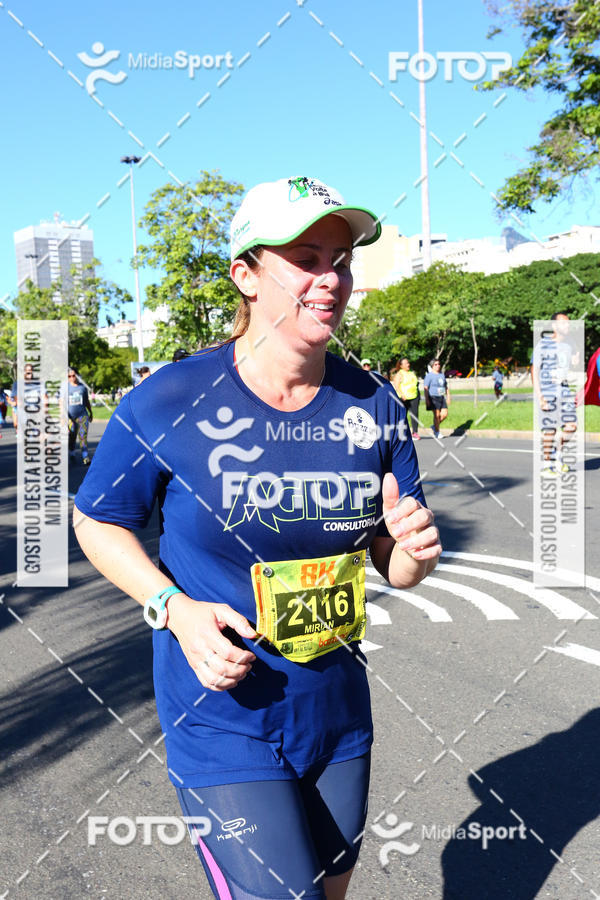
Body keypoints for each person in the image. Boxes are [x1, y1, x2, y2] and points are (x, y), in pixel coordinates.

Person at [73, 175, 441, 900]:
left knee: (328, 892)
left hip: (335, 714)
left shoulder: (374, 406)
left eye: (341, 258)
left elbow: (393, 565)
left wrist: (413, 552)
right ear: (245, 274)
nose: (330, 278)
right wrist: (170, 607)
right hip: (222, 716)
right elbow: (97, 518)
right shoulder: (170, 399)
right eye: (306, 257)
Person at [531, 312, 578, 475]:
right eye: (563, 323)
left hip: (564, 392)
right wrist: (540, 397)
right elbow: (534, 371)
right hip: (547, 393)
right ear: (554, 326)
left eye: (568, 323)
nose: (567, 326)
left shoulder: (569, 345)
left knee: (571, 426)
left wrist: (574, 363)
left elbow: (566, 369)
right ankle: (546, 465)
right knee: (550, 429)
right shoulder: (543, 344)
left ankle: (557, 455)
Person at [65, 368, 93, 465]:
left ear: (77, 376)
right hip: (70, 418)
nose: (72, 378)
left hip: (82, 415)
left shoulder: (82, 388)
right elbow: (61, 403)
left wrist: (90, 412)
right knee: (72, 436)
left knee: (82, 436)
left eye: (74, 375)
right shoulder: (65, 388)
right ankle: (72, 453)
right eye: (69, 376)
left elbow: (86, 401)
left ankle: (85, 457)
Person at [391, 357, 421, 440]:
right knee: (402, 416)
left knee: (415, 415)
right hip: (403, 398)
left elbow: (415, 384)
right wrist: (401, 394)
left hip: (414, 397)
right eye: (406, 363)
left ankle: (415, 432)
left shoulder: (412, 373)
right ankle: (400, 433)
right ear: (401, 366)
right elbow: (396, 386)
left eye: (408, 362)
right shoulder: (399, 374)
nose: (408, 364)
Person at [423, 359, 450, 439]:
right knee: (437, 415)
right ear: (432, 366)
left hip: (441, 396)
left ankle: (434, 426)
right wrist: (427, 399)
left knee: (444, 414)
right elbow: (426, 387)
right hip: (433, 397)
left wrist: (448, 396)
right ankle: (437, 432)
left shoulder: (441, 375)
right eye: (435, 364)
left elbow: (446, 386)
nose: (438, 365)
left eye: (438, 364)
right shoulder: (429, 375)